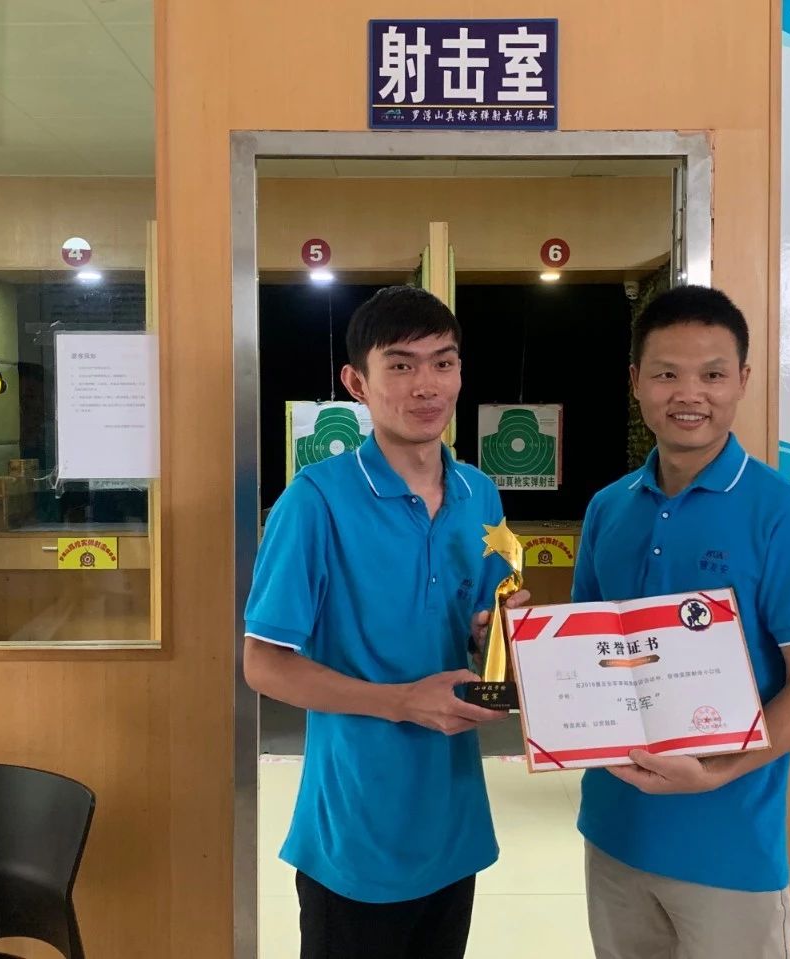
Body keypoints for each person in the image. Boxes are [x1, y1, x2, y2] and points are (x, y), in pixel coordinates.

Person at [243, 286, 528, 959]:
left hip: (453, 818)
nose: (426, 385)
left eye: (443, 362)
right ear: (357, 383)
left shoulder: (479, 494)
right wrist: (401, 701)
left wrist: (502, 635)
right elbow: (264, 663)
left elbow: (488, 627)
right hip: (356, 826)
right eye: (400, 365)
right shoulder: (314, 502)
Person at [573, 285, 790, 959]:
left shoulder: (789, 515)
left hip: (730, 850)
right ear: (635, 381)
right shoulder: (609, 508)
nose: (689, 394)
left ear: (742, 381)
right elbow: (587, 652)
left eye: (713, 375)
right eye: (666, 373)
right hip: (613, 835)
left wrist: (719, 771)